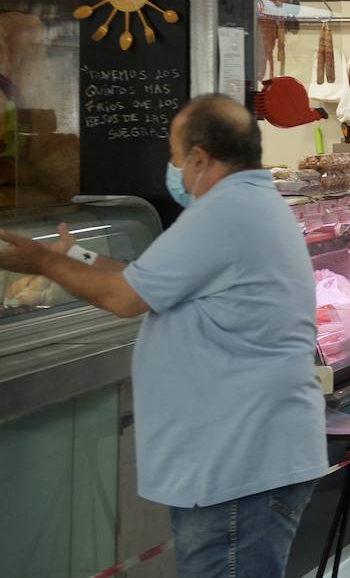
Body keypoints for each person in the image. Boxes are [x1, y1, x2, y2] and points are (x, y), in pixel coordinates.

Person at [0, 95, 326, 576]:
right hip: (239, 458)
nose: (172, 168)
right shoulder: (247, 203)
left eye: (174, 155)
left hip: (238, 465)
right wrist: (78, 258)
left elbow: (124, 298)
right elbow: (147, 279)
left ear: (198, 158)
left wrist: (43, 261)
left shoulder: (223, 213)